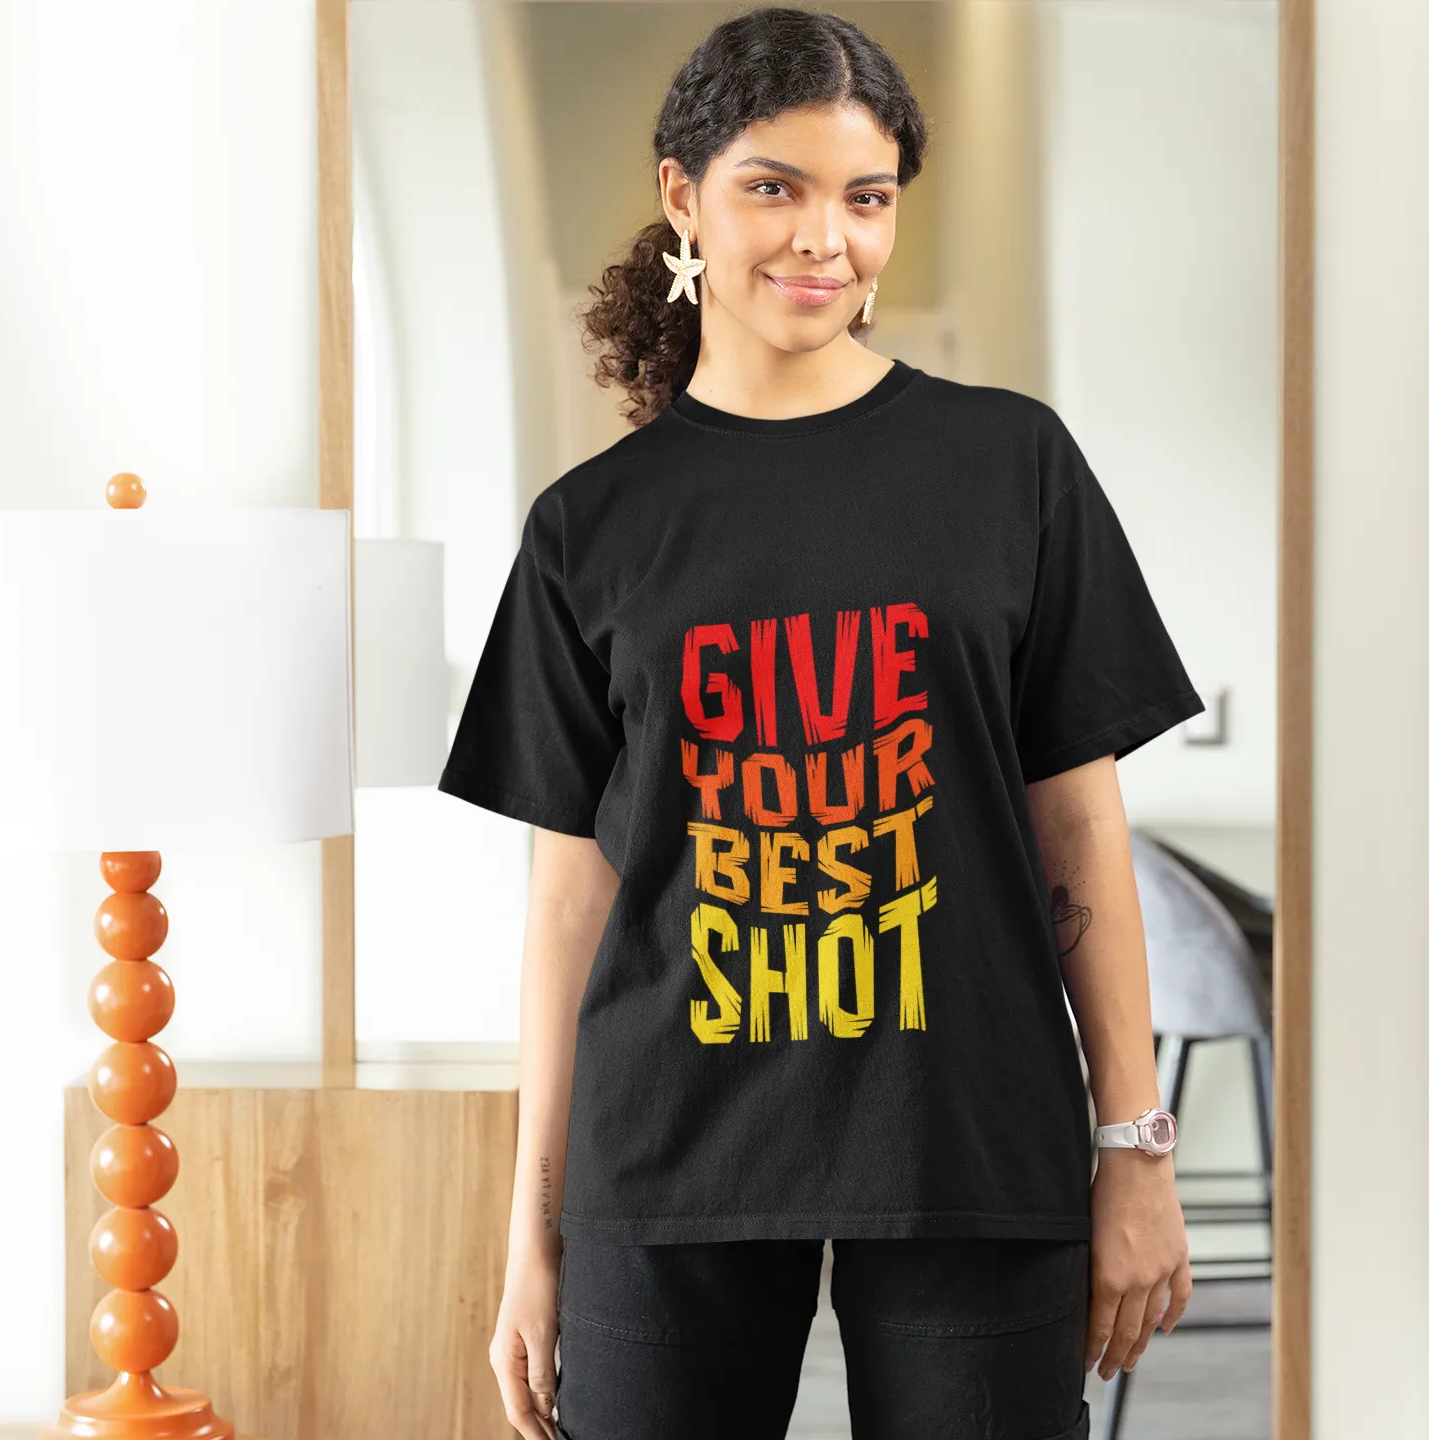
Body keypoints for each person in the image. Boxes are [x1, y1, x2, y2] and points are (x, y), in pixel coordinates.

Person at [437, 8, 1201, 1438]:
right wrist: (529, 1236)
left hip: (969, 1142)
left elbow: (1080, 825)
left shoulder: (1010, 466)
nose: (822, 240)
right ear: (683, 195)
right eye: (771, 187)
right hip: (667, 1162)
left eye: (866, 198)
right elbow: (566, 907)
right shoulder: (590, 530)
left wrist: (1135, 1150)